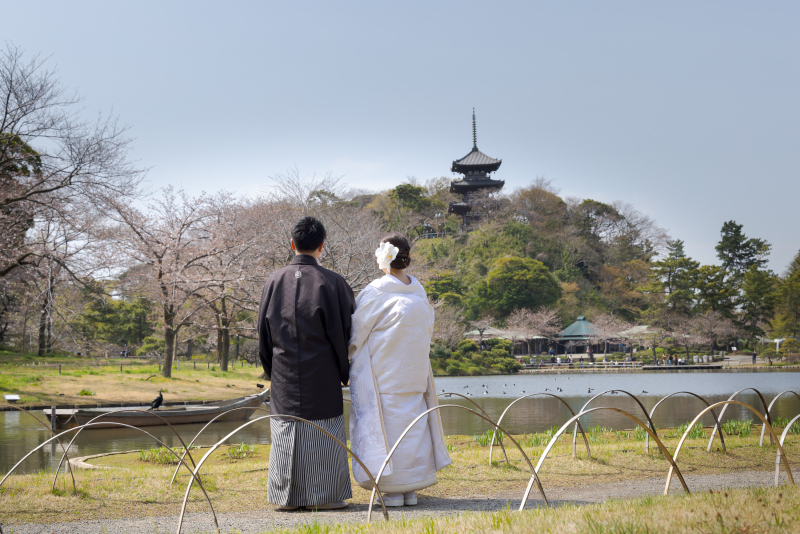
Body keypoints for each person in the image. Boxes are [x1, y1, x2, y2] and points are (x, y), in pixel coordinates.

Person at [257, 217, 355, 511]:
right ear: (321, 246)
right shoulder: (333, 282)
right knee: (322, 431)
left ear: (292, 244)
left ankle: (286, 497)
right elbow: (345, 333)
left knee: (287, 431)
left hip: (284, 371)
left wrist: (272, 371)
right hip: (322, 373)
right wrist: (344, 371)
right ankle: (325, 497)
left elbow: (262, 334)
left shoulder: (273, 281)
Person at [348, 232, 450, 507]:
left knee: (387, 427)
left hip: (383, 373)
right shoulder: (418, 291)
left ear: (383, 257)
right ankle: (411, 488)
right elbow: (427, 330)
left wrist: (346, 358)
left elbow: (356, 335)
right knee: (412, 427)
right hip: (413, 372)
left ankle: (391, 489)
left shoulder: (376, 291)